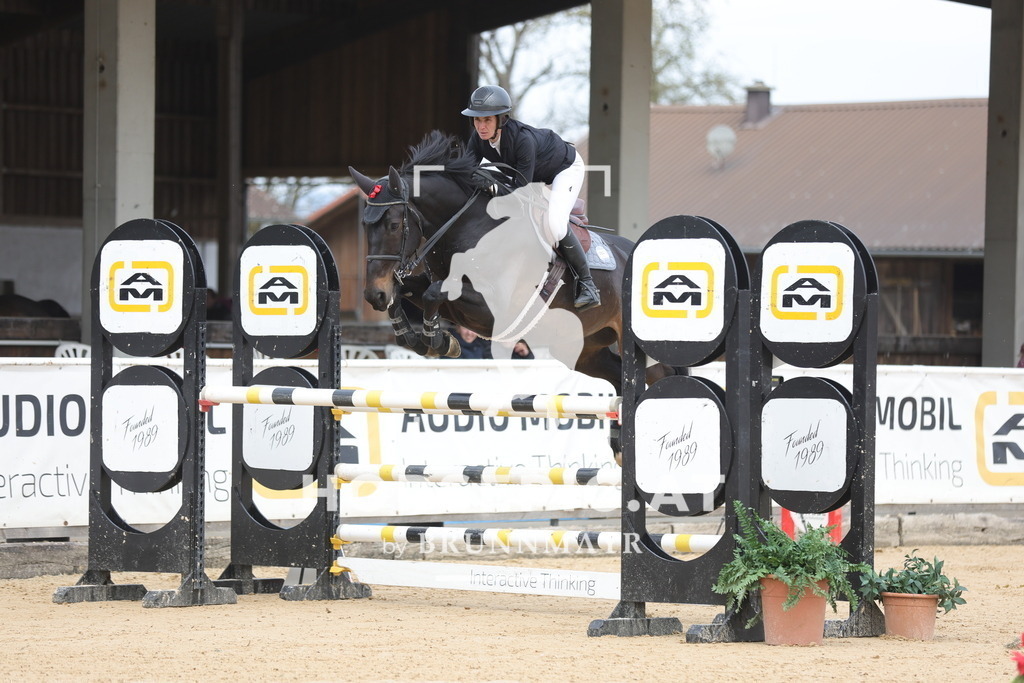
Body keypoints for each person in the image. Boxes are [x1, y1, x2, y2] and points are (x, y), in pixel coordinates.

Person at [461, 84, 600, 312]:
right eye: (477, 120)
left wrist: (490, 184)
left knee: (555, 225)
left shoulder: (522, 140)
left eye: (487, 120)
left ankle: (587, 284)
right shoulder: (477, 140)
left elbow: (521, 194)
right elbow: (466, 175)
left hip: (564, 170)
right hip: (533, 175)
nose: (481, 126)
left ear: (501, 119)